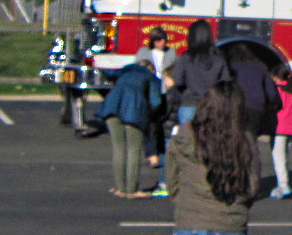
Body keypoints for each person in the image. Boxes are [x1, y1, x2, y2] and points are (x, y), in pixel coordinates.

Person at [167, 80, 260, 235]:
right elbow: (252, 187)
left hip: (190, 223)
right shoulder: (244, 139)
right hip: (229, 224)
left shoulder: (184, 134)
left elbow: (172, 181)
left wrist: (185, 205)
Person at [98, 60, 163, 198]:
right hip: (133, 110)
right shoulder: (149, 76)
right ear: (150, 68)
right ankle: (132, 189)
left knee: (118, 148)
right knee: (134, 149)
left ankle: (120, 187)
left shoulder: (124, 71)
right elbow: (156, 101)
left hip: (112, 105)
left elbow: (108, 77)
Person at [168, 20, 230, 127]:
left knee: (188, 141)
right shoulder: (218, 58)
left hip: (189, 104)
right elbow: (226, 82)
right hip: (212, 105)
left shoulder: (186, 57)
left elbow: (178, 81)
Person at [136, 28, 177, 169]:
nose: (162, 43)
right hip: (151, 91)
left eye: (164, 40)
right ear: (153, 41)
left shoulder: (171, 52)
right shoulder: (144, 52)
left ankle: (160, 151)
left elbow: (173, 70)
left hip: (165, 91)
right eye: (159, 40)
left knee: (163, 123)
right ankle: (152, 154)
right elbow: (139, 68)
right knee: (151, 124)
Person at [227, 45, 279, 135]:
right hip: (256, 105)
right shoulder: (261, 67)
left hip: (236, 103)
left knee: (235, 135)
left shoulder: (232, 66)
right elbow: (271, 92)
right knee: (250, 135)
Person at [268, 64, 292, 199]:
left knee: (279, 157)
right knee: (284, 156)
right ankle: (283, 182)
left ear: (275, 77)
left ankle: (283, 186)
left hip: (279, 128)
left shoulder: (277, 91)